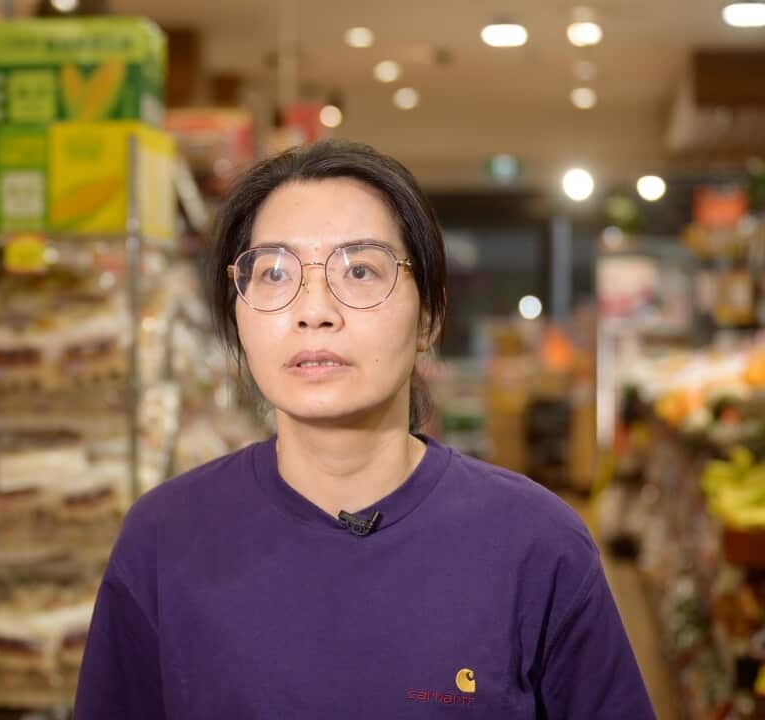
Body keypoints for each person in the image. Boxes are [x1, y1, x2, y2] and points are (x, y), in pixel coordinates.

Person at [74, 140, 655, 718]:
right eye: (274, 272)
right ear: (237, 315)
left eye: (360, 270)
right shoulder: (165, 538)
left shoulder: (537, 544)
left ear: (429, 316)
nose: (314, 309)